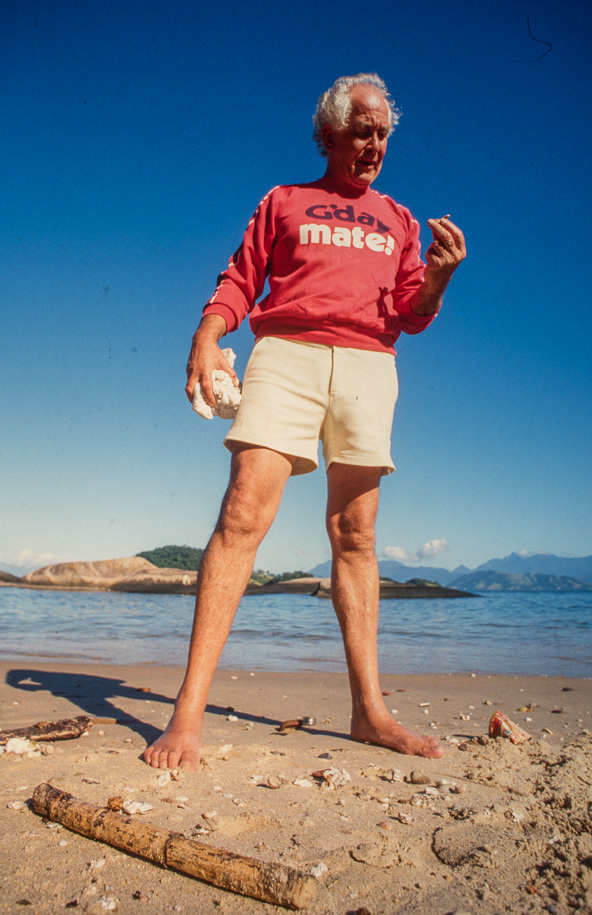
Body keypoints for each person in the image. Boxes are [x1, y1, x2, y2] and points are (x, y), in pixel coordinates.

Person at [143, 73, 468, 770]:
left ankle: (368, 711)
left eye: (383, 132)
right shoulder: (283, 201)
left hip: (367, 366)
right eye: (361, 129)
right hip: (285, 354)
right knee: (241, 519)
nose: (375, 143)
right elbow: (240, 277)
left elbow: (411, 313)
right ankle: (188, 713)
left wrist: (438, 277)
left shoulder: (402, 221)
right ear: (326, 135)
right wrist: (207, 332)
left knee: (356, 534)